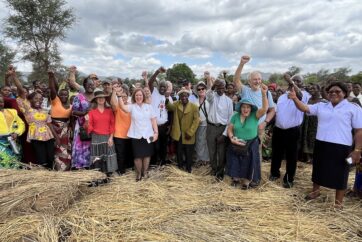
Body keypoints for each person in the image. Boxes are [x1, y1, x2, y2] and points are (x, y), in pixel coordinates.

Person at [288, 81, 362, 207]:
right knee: (318, 169)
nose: (333, 93)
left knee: (341, 173)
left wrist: (357, 150)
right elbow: (305, 108)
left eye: (337, 91)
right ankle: (315, 192)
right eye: (330, 91)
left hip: (342, 147)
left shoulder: (353, 108)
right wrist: (295, 98)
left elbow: (359, 130)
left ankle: (338, 202)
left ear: (344, 93)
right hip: (321, 143)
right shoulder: (322, 106)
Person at [269, 74, 310, 188]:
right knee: (276, 153)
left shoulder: (304, 95)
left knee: (291, 156)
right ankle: (274, 173)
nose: (295, 83)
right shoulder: (282, 97)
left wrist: (291, 81)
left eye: (298, 81)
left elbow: (300, 96)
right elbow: (277, 112)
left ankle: (289, 178)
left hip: (292, 131)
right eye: (294, 81)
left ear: (302, 84)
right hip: (278, 130)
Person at [12, 70, 58, 168]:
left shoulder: (44, 111)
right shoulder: (27, 109)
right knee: (41, 159)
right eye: (36, 99)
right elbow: (20, 90)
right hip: (36, 136)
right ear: (29, 100)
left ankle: (51, 177)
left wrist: (56, 138)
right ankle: (42, 177)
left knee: (50, 158)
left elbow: (49, 124)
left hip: (48, 136)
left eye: (41, 99)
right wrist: (14, 76)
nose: (39, 101)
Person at [227, 84, 269, 189]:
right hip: (237, 142)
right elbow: (230, 129)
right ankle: (236, 179)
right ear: (240, 108)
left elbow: (264, 109)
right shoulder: (235, 116)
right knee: (236, 160)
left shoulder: (255, 115)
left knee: (249, 162)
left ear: (251, 108)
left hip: (251, 143)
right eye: (244, 107)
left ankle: (246, 182)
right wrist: (232, 138)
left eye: (248, 107)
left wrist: (264, 95)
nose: (246, 109)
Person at [233, 55, 276, 158]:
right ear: (249, 81)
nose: (257, 81)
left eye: (259, 79)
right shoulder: (245, 91)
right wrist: (242, 63)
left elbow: (272, 110)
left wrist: (265, 123)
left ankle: (255, 173)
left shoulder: (266, 93)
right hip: (244, 127)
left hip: (259, 127)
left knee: (256, 153)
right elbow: (236, 80)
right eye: (255, 79)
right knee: (243, 151)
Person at [118, 88, 158, 181]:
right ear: (134, 97)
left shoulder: (149, 106)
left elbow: (153, 119)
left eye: (140, 95)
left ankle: (145, 172)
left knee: (147, 155)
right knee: (137, 156)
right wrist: (119, 96)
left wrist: (156, 132)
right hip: (136, 135)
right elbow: (122, 107)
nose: (138, 97)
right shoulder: (132, 106)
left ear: (143, 96)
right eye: (136, 95)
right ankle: (139, 173)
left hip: (149, 135)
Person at [166, 88, 199, 173]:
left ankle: (188, 169)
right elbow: (170, 107)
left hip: (189, 134)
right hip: (179, 134)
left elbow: (196, 121)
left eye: (185, 95)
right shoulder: (176, 104)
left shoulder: (194, 106)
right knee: (179, 152)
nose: (183, 97)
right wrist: (165, 98)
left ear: (188, 96)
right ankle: (180, 168)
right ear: (179, 97)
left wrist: (190, 132)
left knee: (189, 153)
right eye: (181, 96)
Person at [205, 79, 234, 179]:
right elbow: (208, 95)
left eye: (222, 88)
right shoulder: (212, 97)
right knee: (211, 150)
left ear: (225, 88)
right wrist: (213, 86)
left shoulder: (229, 101)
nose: (221, 90)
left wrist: (224, 134)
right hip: (211, 127)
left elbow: (230, 119)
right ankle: (213, 169)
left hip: (223, 128)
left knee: (221, 152)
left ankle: (220, 172)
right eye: (219, 88)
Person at [87, 91, 118, 176]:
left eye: (103, 97)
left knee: (109, 155)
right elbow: (89, 127)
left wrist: (111, 137)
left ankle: (110, 173)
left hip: (107, 137)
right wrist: (86, 121)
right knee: (97, 156)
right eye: (99, 97)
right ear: (96, 100)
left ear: (105, 99)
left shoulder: (109, 111)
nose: (101, 99)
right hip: (96, 137)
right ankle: (98, 174)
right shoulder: (91, 112)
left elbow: (112, 125)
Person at [48, 70, 72, 171]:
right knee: (56, 148)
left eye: (65, 94)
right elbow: (52, 89)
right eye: (61, 94)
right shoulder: (55, 101)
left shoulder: (71, 106)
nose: (63, 96)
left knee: (65, 150)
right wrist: (51, 77)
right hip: (54, 128)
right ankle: (57, 169)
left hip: (65, 131)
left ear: (68, 95)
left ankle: (65, 169)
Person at [71, 76, 95, 169]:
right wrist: (84, 113)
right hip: (82, 127)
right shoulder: (79, 97)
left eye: (92, 85)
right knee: (81, 146)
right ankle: (80, 167)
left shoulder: (97, 97)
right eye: (88, 84)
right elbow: (73, 112)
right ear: (84, 85)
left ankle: (91, 166)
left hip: (94, 127)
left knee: (92, 146)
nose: (90, 86)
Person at [148, 67, 170, 166]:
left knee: (163, 146)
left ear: (166, 88)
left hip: (164, 126)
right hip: (154, 126)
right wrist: (157, 71)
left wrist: (170, 126)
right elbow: (150, 82)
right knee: (154, 146)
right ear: (158, 87)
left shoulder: (168, 97)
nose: (162, 88)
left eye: (164, 87)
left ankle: (163, 163)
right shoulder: (154, 92)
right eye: (161, 86)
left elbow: (170, 112)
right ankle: (154, 163)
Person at [301, 84, 327, 163]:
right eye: (311, 88)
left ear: (318, 90)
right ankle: (308, 157)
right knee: (306, 138)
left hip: (317, 123)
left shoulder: (323, 101)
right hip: (307, 122)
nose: (311, 89)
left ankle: (314, 157)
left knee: (315, 139)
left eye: (314, 88)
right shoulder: (308, 100)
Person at [110, 86, 132, 175]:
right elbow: (112, 103)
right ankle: (121, 171)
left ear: (128, 97)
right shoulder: (117, 107)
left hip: (130, 134)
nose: (124, 98)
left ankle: (129, 168)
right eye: (122, 96)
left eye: (125, 96)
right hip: (119, 135)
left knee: (129, 153)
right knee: (120, 155)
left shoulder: (131, 107)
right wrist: (114, 92)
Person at [0, 95, 25, 167]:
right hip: (1, 142)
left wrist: (16, 133)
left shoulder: (12, 112)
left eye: (1, 102)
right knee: (3, 161)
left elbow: (21, 124)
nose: (0, 104)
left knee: (15, 161)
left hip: (13, 140)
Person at [195, 81, 210, 165]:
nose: (201, 90)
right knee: (199, 142)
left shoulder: (209, 100)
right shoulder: (195, 101)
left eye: (202, 88)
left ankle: (206, 159)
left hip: (208, 124)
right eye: (199, 89)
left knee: (206, 143)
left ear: (205, 89)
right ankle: (199, 159)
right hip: (198, 125)